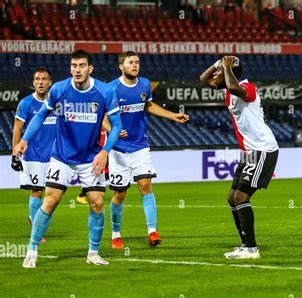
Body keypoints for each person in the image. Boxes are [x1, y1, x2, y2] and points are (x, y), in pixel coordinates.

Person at [15, 50, 122, 268]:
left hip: (91, 157)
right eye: (74, 66)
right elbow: (40, 116)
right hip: (62, 156)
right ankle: (32, 250)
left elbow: (117, 126)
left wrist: (105, 151)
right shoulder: (59, 89)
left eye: (82, 65)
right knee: (51, 200)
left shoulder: (104, 91)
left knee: (97, 203)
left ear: (90, 68)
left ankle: (93, 252)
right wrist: (25, 139)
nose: (77, 70)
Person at [106, 51, 189, 249]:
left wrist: (172, 116)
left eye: (137, 62)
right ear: (121, 66)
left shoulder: (144, 84)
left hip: (140, 145)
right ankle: (115, 234)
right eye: (130, 62)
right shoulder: (111, 89)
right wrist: (113, 131)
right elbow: (102, 117)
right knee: (120, 194)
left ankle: (152, 231)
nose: (135, 65)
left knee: (145, 185)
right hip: (118, 149)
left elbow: (149, 106)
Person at [200, 55, 279, 259]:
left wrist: (227, 68)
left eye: (220, 72)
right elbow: (203, 79)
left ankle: (252, 249)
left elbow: (235, 88)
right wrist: (218, 64)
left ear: (231, 74)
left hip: (262, 149)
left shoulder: (246, 87)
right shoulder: (228, 89)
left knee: (241, 197)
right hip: (249, 152)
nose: (216, 75)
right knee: (232, 198)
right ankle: (245, 244)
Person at [11, 67, 54, 243]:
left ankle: (34, 218)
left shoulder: (56, 103)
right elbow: (17, 129)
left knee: (52, 193)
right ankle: (36, 227)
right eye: (37, 79)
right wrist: (15, 154)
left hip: (54, 157)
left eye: (44, 79)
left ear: (50, 82)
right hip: (34, 156)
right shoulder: (26, 103)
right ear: (33, 82)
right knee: (37, 190)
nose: (40, 82)